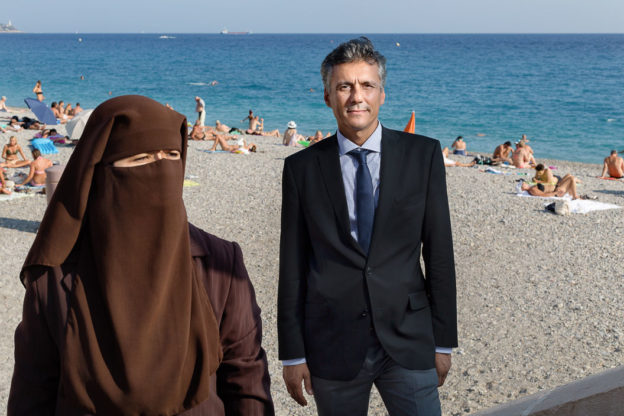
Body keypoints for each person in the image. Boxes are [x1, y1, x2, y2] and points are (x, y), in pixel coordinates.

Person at [8, 95, 273, 415]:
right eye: (141, 160)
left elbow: (246, 378)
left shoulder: (218, 261)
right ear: (102, 173)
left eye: (172, 156)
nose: (160, 170)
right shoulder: (55, 277)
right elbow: (33, 396)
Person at [278, 37, 457, 415]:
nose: (356, 96)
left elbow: (439, 252)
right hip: (332, 341)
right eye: (344, 86)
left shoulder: (422, 156)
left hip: (408, 338)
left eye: (366, 85)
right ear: (328, 96)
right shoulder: (302, 169)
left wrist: (443, 342)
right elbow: (292, 266)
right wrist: (292, 353)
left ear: (381, 94)